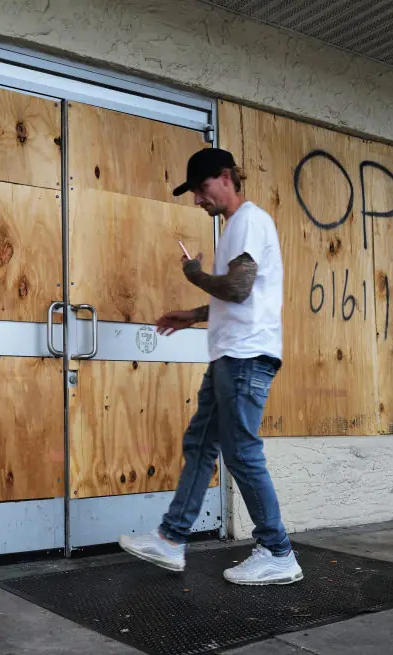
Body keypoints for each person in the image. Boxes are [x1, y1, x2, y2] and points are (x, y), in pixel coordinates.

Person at [119, 148, 302, 586]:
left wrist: (195, 274)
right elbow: (239, 297)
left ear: (225, 177)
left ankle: (278, 552)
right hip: (230, 354)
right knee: (201, 443)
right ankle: (171, 539)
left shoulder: (248, 221)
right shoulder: (237, 228)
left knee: (240, 451)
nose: (198, 201)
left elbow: (238, 289)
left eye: (201, 190)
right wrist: (192, 314)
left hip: (244, 357)